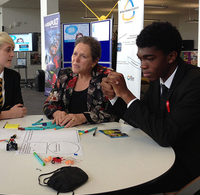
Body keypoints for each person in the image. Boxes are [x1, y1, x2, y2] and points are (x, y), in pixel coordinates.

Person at [100, 22, 200, 194]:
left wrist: (127, 94)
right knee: (108, 168)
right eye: (140, 58)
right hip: (159, 153)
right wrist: (114, 97)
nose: (142, 65)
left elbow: (165, 134)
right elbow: (141, 119)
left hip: (185, 164)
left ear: (171, 56)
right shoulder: (159, 77)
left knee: (120, 185)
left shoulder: (194, 82)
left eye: (149, 58)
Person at [43, 36, 119, 128]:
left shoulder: (106, 77)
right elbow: (49, 103)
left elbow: (115, 113)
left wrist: (83, 117)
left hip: (97, 134)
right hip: (66, 131)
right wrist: (56, 113)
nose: (76, 59)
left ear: (94, 61)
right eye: (75, 54)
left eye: (83, 56)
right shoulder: (64, 75)